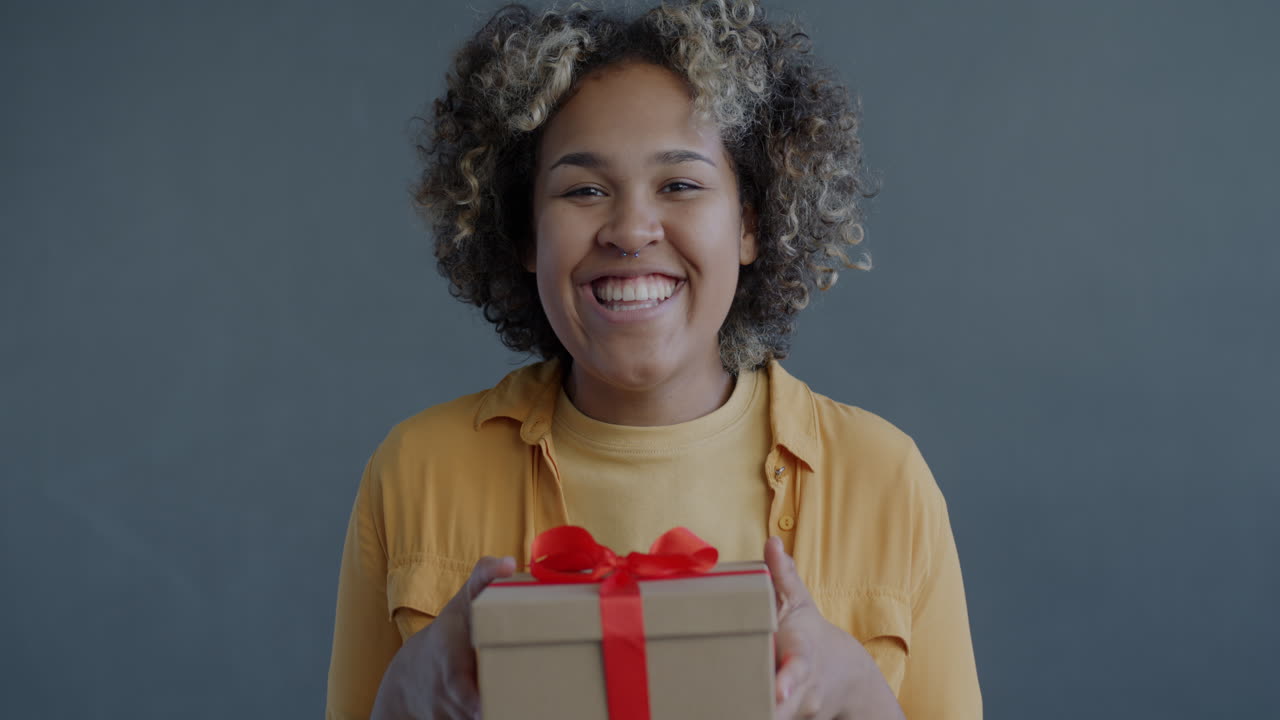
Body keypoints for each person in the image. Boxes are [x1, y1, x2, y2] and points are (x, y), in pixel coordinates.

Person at [326, 1, 981, 718]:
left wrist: (861, 695)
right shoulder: (415, 471)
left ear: (750, 225)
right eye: (583, 190)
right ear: (523, 235)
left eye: (680, 185)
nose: (632, 229)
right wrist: (402, 697)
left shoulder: (884, 481)